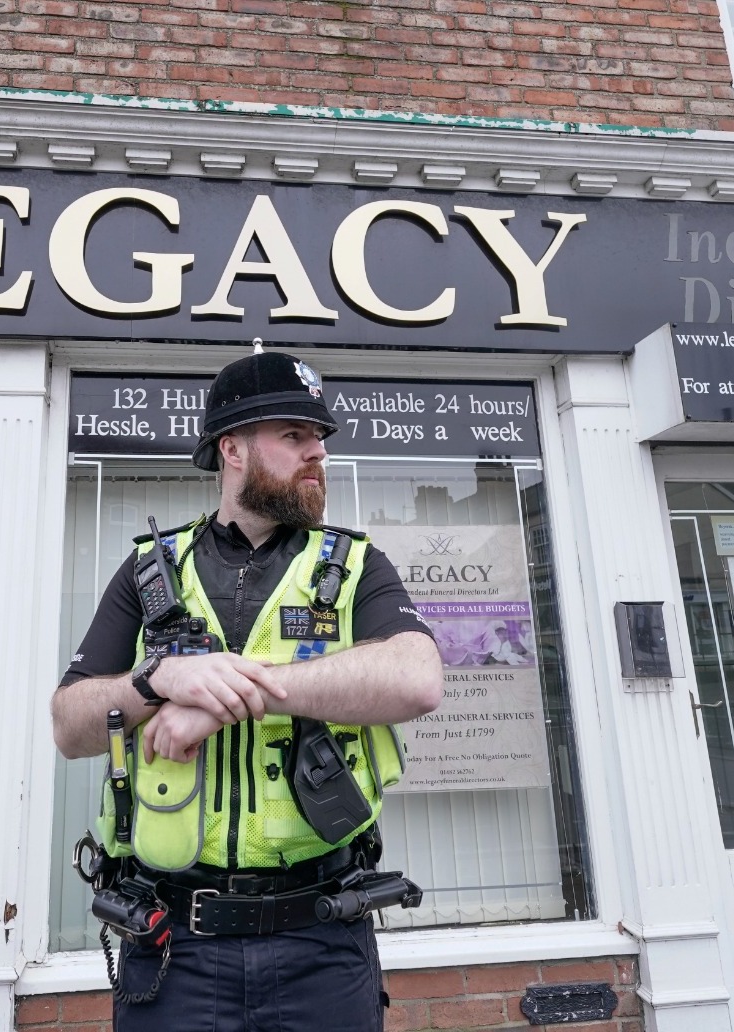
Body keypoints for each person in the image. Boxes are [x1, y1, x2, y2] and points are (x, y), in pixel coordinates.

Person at [52, 347, 444, 1032]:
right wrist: (158, 679)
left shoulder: (353, 565)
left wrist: (232, 694)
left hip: (322, 936)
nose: (315, 451)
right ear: (232, 448)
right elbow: (70, 726)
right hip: (173, 941)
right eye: (294, 435)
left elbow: (416, 678)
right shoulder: (151, 569)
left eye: (318, 437)